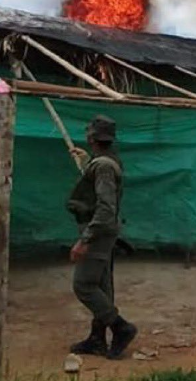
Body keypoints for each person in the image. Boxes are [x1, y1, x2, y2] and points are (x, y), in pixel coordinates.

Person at [67, 115, 137, 360]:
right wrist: (87, 162)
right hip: (104, 232)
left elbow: (105, 207)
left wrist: (85, 239)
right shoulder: (104, 163)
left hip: (98, 233)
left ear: (92, 137)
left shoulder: (104, 166)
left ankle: (121, 328)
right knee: (102, 287)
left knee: (84, 285)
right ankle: (97, 338)